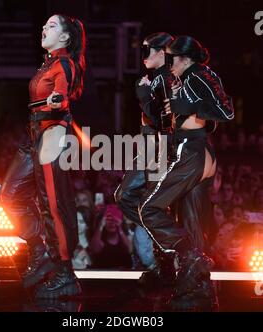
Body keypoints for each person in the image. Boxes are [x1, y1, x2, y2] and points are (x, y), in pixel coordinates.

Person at [136, 35, 234, 310]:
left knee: (149, 209)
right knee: (192, 224)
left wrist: (192, 106)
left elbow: (225, 112)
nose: (168, 64)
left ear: (183, 58)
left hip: (192, 151)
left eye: (170, 59)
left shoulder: (197, 75)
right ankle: (199, 289)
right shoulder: (187, 78)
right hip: (193, 149)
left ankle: (190, 258)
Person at [0, 14, 86, 299]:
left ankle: (64, 273)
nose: (43, 28)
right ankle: (40, 250)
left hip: (52, 134)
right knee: (10, 195)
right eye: (44, 24)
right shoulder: (49, 62)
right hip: (35, 134)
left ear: (65, 37)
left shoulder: (64, 63)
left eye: (51, 26)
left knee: (53, 205)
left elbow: (63, 93)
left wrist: (59, 99)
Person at [115, 32, 177, 285]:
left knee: (150, 204)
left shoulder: (166, 79)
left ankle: (168, 263)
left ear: (162, 53)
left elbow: (164, 122)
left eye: (147, 51)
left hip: (161, 149)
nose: (142, 57)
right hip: (150, 148)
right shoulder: (155, 79)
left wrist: (142, 94)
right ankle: (167, 257)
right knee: (130, 198)